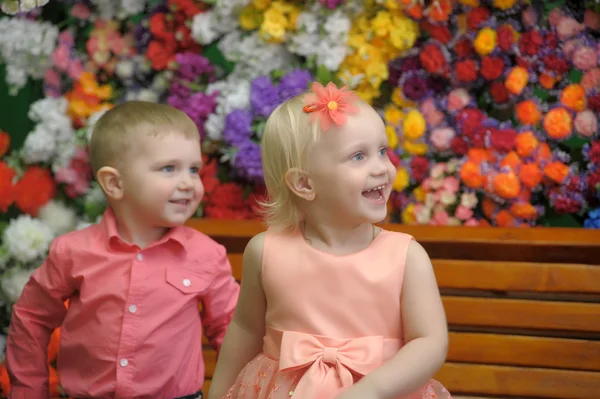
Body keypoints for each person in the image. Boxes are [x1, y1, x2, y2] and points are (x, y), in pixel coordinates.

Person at [208, 82, 453, 399]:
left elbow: (430, 342)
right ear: (304, 183)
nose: (381, 167)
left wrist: (372, 390)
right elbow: (246, 330)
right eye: (358, 156)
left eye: (382, 151)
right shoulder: (266, 251)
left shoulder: (406, 256)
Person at [6, 101, 240, 399]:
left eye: (193, 169)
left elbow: (232, 332)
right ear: (115, 183)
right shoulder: (72, 252)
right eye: (169, 168)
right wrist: (28, 391)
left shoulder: (206, 255)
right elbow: (31, 318)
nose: (188, 183)